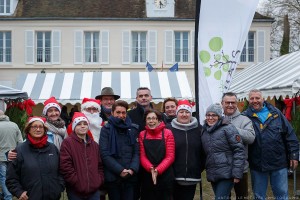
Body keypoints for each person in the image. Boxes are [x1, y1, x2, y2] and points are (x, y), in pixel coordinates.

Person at [244, 89, 299, 199]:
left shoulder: (276, 113)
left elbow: (290, 134)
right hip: (257, 164)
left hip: (278, 163)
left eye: (257, 98)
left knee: (282, 196)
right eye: (252, 98)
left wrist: (294, 155)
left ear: (263, 99)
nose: (255, 101)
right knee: (259, 196)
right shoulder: (245, 117)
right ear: (248, 100)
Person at [6, 116, 64, 200]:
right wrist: (19, 192)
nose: (38, 129)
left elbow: (61, 170)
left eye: (41, 127)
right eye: (34, 127)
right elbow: (11, 177)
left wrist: (59, 186)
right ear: (28, 129)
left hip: (53, 196)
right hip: (31, 196)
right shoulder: (20, 150)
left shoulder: (52, 148)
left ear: (44, 130)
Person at [201, 103, 245, 200]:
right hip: (213, 173)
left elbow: (239, 150)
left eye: (214, 115)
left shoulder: (228, 128)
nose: (210, 118)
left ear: (219, 116)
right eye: (208, 115)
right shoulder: (204, 131)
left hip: (227, 173)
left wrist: (237, 173)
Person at [100, 100, 139, 200]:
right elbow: (104, 153)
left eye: (123, 112)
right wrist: (120, 170)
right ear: (112, 113)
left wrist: (132, 169)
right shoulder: (106, 130)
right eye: (118, 112)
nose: (121, 115)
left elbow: (136, 152)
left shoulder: (133, 129)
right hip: (113, 176)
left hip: (130, 176)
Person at [60, 112, 104, 200]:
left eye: (85, 124)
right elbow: (65, 166)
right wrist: (76, 182)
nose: (83, 126)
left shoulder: (94, 145)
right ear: (74, 127)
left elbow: (100, 165)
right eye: (79, 124)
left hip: (93, 190)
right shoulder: (67, 143)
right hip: (75, 190)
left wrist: (98, 180)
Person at [166, 100, 203, 200]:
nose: (184, 114)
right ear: (177, 113)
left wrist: (199, 167)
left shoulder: (199, 129)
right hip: (172, 176)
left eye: (187, 112)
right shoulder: (168, 129)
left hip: (192, 176)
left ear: (191, 114)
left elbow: (203, 152)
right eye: (181, 112)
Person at [221, 92, 255, 200]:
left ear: (237, 103)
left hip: (240, 168)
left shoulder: (245, 120)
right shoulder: (216, 119)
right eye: (227, 102)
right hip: (222, 168)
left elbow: (250, 138)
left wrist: (232, 128)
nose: (230, 105)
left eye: (233, 102)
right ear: (222, 103)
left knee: (242, 198)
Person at [139, 110, 175, 200]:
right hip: (148, 174)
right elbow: (142, 156)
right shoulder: (142, 134)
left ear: (159, 120)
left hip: (165, 174)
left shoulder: (167, 133)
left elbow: (170, 156)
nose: (151, 121)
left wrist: (158, 170)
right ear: (146, 121)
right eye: (149, 119)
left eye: (154, 118)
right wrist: (150, 168)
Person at [0, 110, 23, 200]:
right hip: (13, 155)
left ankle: (8, 196)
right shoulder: (14, 125)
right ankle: (8, 194)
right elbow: (20, 141)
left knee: (3, 177)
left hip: (1, 156)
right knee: (11, 176)